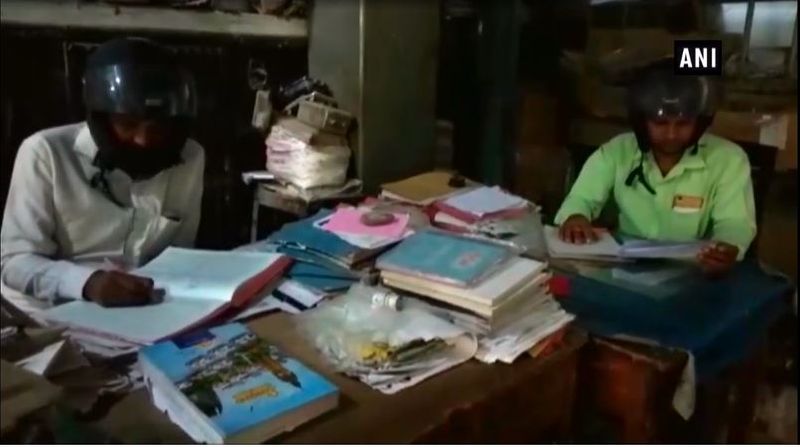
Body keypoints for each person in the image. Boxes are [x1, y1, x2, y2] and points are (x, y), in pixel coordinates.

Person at [1, 38, 205, 313]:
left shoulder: (189, 157)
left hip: (142, 310)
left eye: (159, 127)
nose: (144, 140)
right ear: (102, 119)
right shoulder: (46, 152)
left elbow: (181, 254)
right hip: (48, 313)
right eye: (128, 125)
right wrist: (87, 283)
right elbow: (13, 262)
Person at [555, 59, 756, 276]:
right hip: (626, 270)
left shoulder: (729, 160)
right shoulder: (616, 152)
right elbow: (582, 198)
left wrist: (725, 249)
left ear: (700, 122)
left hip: (695, 272)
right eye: (660, 124)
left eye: (683, 124)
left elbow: (735, 222)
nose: (671, 134)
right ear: (641, 122)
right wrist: (576, 217)